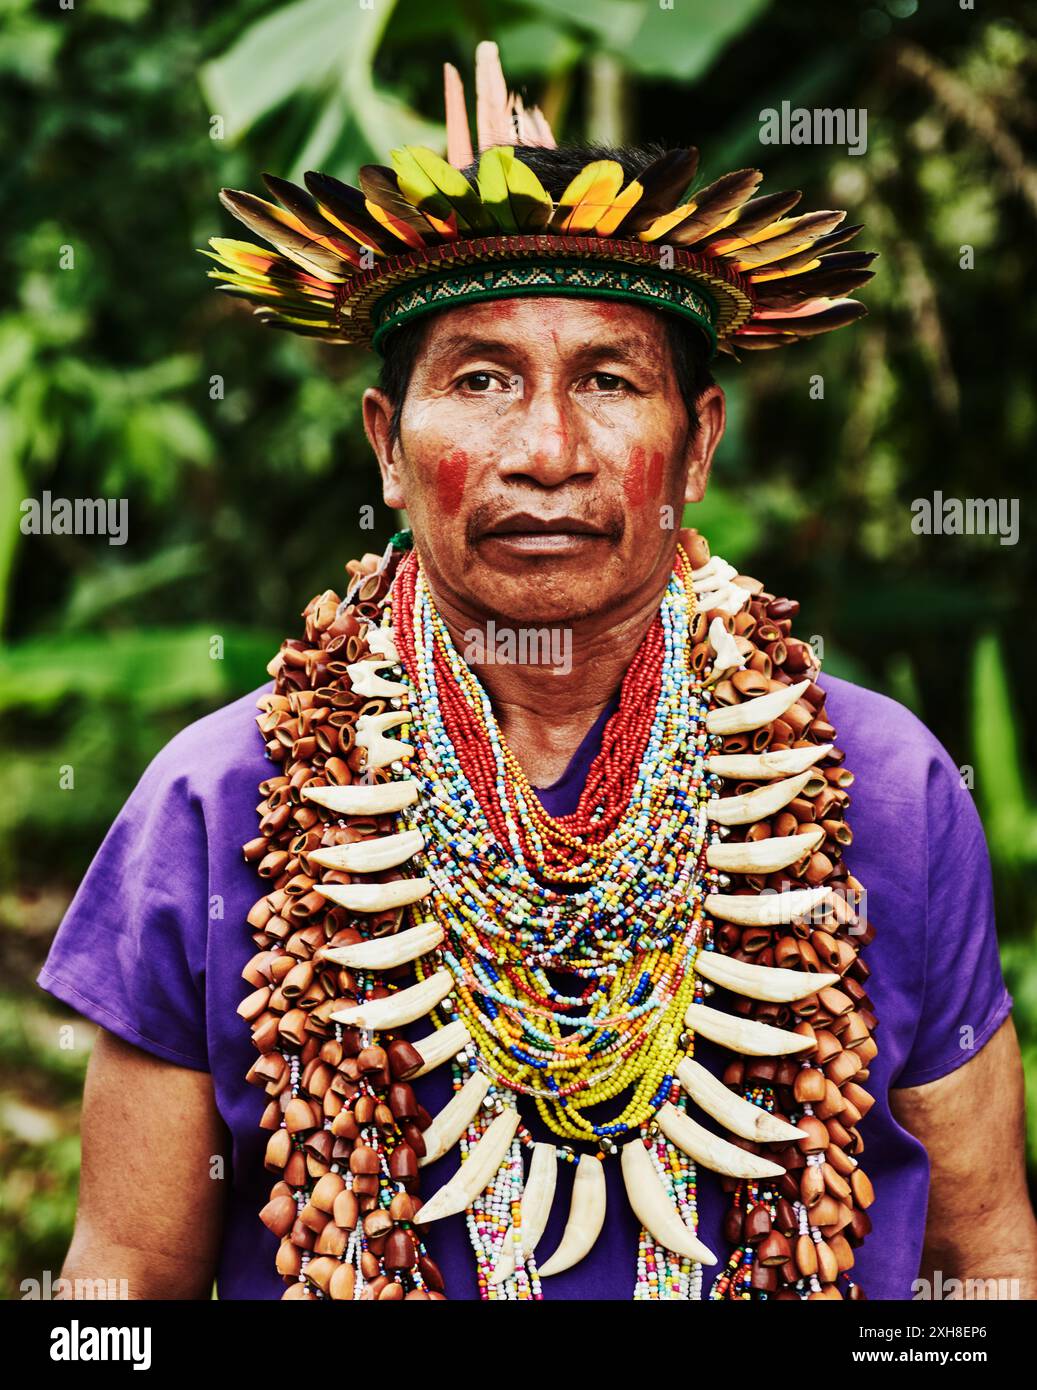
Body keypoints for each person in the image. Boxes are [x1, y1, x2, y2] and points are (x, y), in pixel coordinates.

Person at [39, 44, 1035, 1302]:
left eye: (609, 380)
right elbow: (114, 1291)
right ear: (387, 450)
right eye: (479, 378)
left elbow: (985, 1264)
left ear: (696, 449)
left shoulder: (882, 786)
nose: (548, 449)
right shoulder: (215, 801)